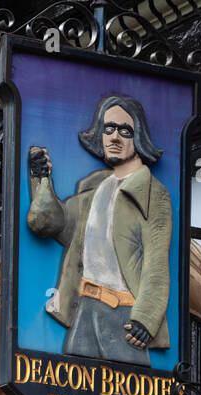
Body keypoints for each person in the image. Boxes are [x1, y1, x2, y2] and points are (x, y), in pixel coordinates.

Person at [26, 94, 173, 365]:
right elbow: (51, 223)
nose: (115, 137)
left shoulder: (153, 193)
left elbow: (156, 262)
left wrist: (145, 318)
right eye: (108, 128)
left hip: (124, 316)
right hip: (84, 308)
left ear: (137, 136)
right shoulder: (95, 187)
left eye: (124, 130)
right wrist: (41, 178)